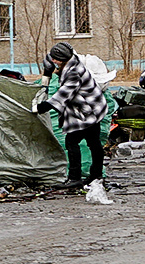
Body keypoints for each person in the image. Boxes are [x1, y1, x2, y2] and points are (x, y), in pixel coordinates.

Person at [36, 41, 107, 191]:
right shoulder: (70, 62)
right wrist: (47, 73)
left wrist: (42, 107)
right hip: (90, 107)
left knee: (73, 141)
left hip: (88, 111)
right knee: (94, 143)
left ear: (61, 59)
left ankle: (76, 178)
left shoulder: (74, 72)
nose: (52, 61)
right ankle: (96, 176)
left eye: (55, 59)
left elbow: (63, 95)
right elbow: (50, 70)